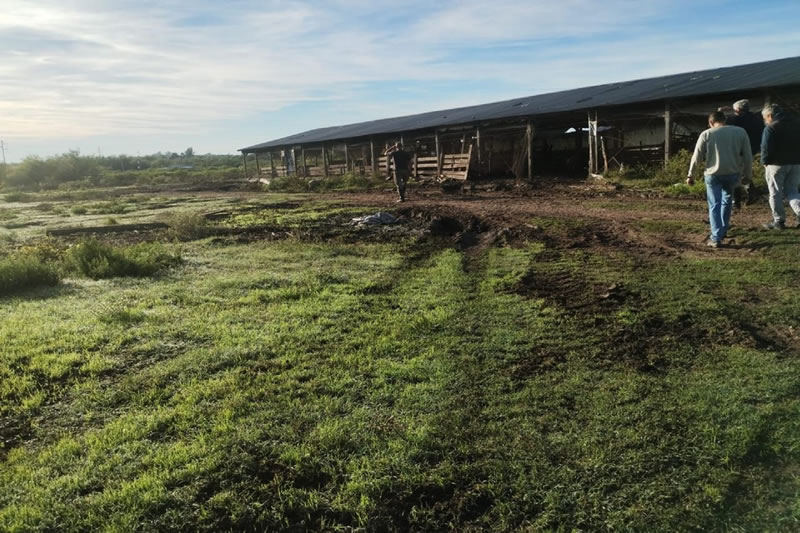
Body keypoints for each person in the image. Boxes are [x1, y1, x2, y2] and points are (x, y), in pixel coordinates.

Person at [687, 110, 753, 248]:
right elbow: (748, 156)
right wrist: (747, 176)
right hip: (733, 174)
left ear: (711, 122)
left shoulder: (707, 134)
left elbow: (697, 156)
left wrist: (691, 174)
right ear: (725, 120)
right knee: (727, 201)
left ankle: (716, 237)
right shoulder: (740, 132)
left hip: (713, 175)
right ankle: (723, 229)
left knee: (714, 205)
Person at [760, 103, 800, 229]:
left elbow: (766, 148)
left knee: (775, 193)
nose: (765, 121)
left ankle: (779, 221)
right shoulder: (796, 124)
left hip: (776, 164)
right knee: (793, 191)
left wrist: (764, 162)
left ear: (770, 115)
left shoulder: (771, 128)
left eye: (765, 118)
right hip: (796, 163)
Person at [723, 99, 764, 208]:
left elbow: (721, 125)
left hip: (738, 149)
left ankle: (737, 200)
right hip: (753, 149)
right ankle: (750, 193)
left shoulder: (734, 119)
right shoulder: (757, 119)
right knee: (742, 172)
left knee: (735, 173)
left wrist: (720, 111)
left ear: (737, 109)